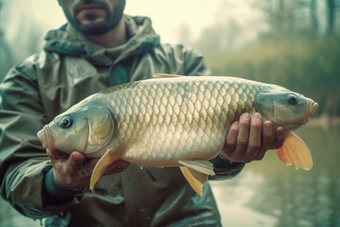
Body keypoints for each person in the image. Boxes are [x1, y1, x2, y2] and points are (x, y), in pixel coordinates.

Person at [0, 0, 285, 226]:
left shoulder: (184, 61)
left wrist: (229, 154)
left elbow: (213, 160)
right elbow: (13, 176)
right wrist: (59, 182)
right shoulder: (28, 78)